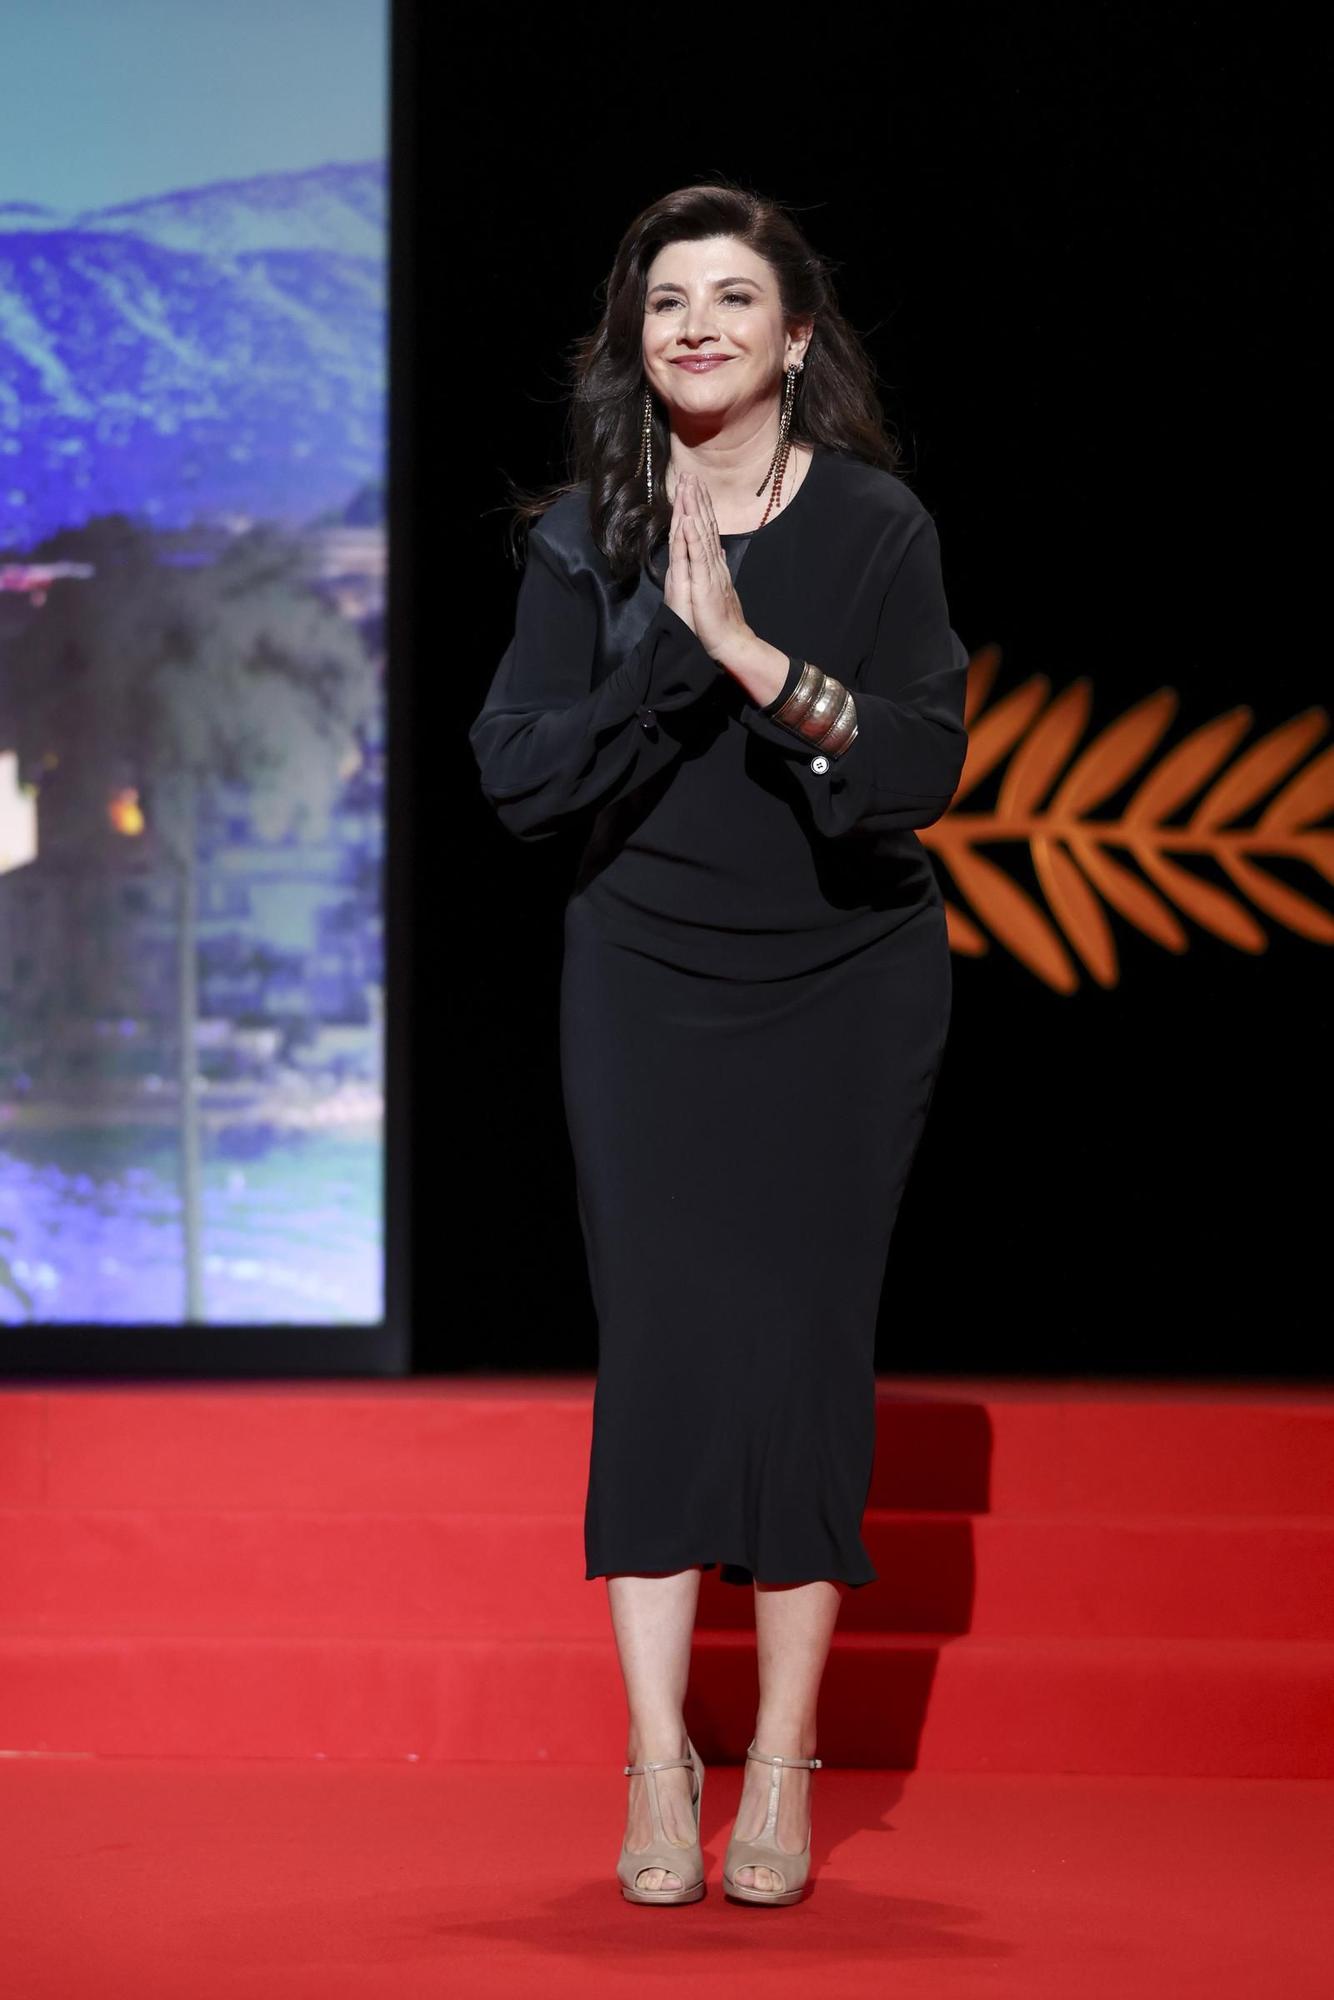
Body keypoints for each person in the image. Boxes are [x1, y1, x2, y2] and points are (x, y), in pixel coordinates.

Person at [469, 182, 970, 1907]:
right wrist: (663, 666)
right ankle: (655, 1764)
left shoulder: (876, 526)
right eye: (665, 299)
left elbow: (912, 767)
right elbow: (520, 775)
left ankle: (779, 1763)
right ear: (637, 337)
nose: (694, 324)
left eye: (731, 297)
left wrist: (754, 656)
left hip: (846, 981)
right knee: (668, 1349)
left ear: (793, 337)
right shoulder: (577, 537)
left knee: (806, 1347)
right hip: (646, 982)